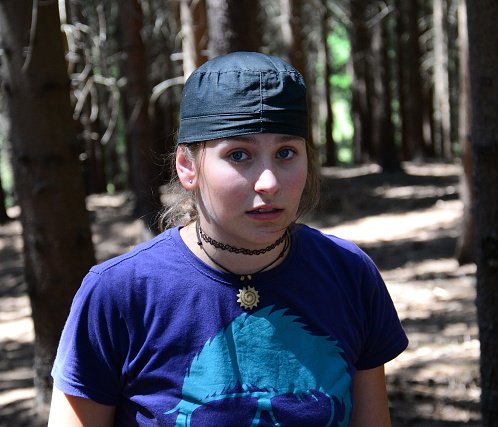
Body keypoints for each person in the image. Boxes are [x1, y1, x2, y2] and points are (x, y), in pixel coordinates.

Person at [48, 51, 408, 427]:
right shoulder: (120, 293)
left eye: (286, 153)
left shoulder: (349, 274)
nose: (269, 182)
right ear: (188, 167)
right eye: (239, 155)